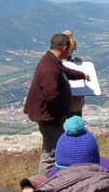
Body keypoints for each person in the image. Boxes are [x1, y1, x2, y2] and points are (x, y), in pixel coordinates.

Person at [23, 33, 90, 175]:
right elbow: (51, 97)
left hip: (52, 117)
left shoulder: (52, 60)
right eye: (70, 49)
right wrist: (63, 113)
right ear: (65, 47)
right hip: (50, 119)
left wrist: (81, 75)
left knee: (54, 150)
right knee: (51, 154)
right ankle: (42, 186)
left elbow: (64, 71)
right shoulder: (49, 68)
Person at [61, 30, 86, 117]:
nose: (71, 52)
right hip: (65, 106)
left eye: (73, 50)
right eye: (71, 50)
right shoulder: (57, 64)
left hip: (76, 105)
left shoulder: (75, 61)